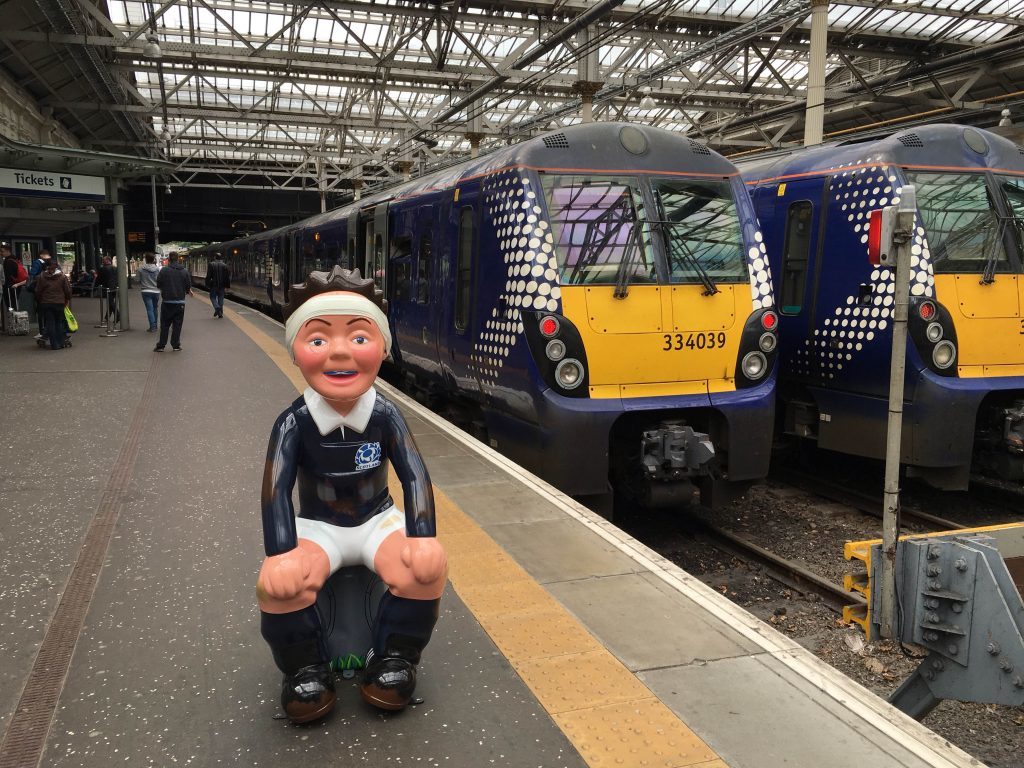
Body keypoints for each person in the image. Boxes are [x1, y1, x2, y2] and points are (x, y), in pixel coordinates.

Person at [257, 266, 447, 724]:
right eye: (318, 339)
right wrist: (280, 551)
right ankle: (304, 670)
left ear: (381, 348)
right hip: (318, 525)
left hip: (376, 519)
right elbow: (274, 490)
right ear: (296, 352)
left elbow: (415, 474)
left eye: (359, 338)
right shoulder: (293, 422)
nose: (340, 352)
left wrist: (422, 536)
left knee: (424, 570)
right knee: (279, 585)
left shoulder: (385, 414)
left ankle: (396, 661)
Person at [154, 251, 192, 351]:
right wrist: (186, 291)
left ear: (169, 260)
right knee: (177, 325)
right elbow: (188, 286)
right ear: (178, 259)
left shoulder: (164, 270)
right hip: (180, 303)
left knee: (165, 325)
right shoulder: (184, 271)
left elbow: (158, 284)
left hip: (167, 302)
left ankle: (161, 346)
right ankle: (175, 345)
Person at [34, 257, 71, 350]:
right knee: (59, 322)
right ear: (56, 266)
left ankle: (54, 344)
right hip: (59, 302)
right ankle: (61, 342)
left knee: (50, 323)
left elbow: (38, 291)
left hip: (46, 303)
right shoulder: (62, 277)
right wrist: (67, 299)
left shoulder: (42, 276)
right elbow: (67, 290)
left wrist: (40, 300)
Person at [137, 253, 161, 332]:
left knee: (149, 309)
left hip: (145, 291)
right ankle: (155, 325)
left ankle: (152, 327)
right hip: (156, 291)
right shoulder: (157, 269)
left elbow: (137, 280)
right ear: (153, 259)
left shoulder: (140, 269)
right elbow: (159, 280)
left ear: (146, 259)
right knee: (155, 308)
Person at [2, 243, 27, 316]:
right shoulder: (15, 259)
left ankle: (13, 320)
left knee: (10, 305)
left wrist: (6, 285)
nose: (1, 253)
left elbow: (8, 275)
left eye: (2, 251)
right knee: (14, 303)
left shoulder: (8, 261)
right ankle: (15, 319)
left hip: (10, 287)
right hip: (16, 286)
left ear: (8, 251)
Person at [204, 251, 231, 318]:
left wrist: (207, 284)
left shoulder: (211, 264)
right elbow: (227, 277)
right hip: (222, 286)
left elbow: (208, 276)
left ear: (215, 258)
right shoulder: (225, 265)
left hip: (214, 285)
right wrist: (227, 286)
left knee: (212, 297)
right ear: (221, 258)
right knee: (221, 298)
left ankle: (217, 308)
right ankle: (220, 313)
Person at [95, 256, 119, 325]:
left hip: (107, 287)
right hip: (115, 287)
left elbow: (99, 279)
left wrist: (96, 285)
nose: (102, 261)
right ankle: (107, 317)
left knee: (111, 302)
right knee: (110, 302)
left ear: (108, 260)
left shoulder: (102, 269)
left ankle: (118, 315)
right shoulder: (115, 268)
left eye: (103, 260)